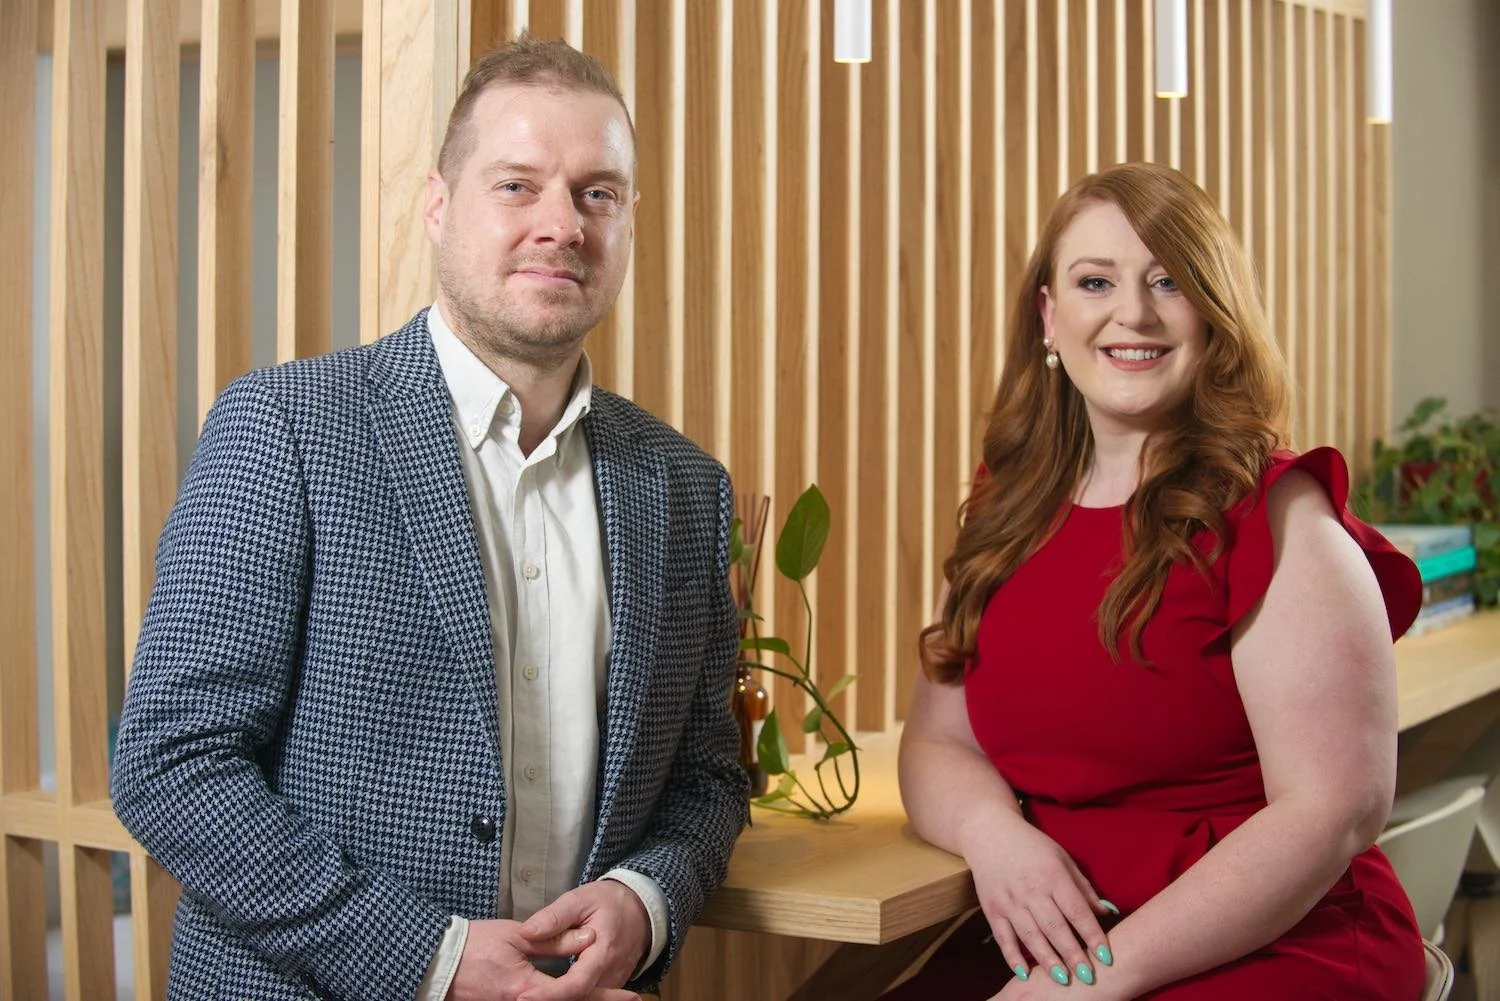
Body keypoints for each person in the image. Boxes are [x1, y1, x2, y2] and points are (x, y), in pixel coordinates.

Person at [110, 34, 748, 1001]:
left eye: (597, 193)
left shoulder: (686, 487)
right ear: (439, 206)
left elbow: (708, 779)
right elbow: (171, 761)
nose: (561, 225)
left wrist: (645, 899)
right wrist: (431, 958)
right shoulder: (286, 426)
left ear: (629, 222)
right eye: (516, 185)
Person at [887, 162, 1425, 1000]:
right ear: (1049, 315)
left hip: (1274, 942)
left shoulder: (1279, 514)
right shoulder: (1006, 507)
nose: (1132, 312)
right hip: (1071, 932)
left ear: (1213, 313)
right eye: (1095, 281)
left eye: (1168, 281)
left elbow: (1334, 811)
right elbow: (937, 743)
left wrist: (1092, 982)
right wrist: (995, 835)